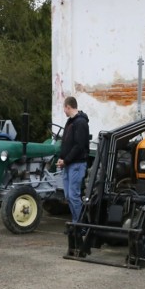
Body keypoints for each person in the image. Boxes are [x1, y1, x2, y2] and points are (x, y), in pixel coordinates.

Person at [56, 96, 90, 224]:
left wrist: (66, 160)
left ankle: (80, 224)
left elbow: (79, 146)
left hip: (76, 164)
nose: (64, 111)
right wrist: (61, 157)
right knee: (68, 196)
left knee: (73, 196)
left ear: (68, 107)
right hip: (68, 164)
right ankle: (76, 222)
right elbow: (66, 142)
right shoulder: (70, 122)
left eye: (64, 108)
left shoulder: (80, 123)